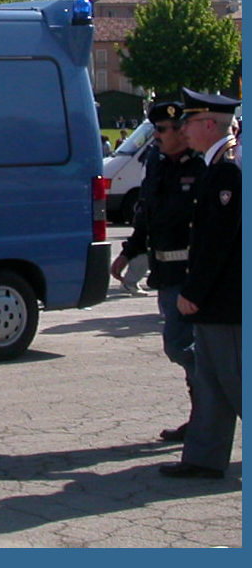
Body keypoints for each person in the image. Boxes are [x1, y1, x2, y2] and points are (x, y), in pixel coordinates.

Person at [110, 101, 205, 442]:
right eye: (153, 130)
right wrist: (128, 253)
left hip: (193, 272)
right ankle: (203, 416)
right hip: (166, 272)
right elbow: (147, 214)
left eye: (162, 130)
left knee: (182, 346)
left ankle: (209, 416)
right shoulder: (156, 163)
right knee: (183, 347)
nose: (157, 137)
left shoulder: (203, 166)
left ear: (182, 130)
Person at [159, 89, 241, 480]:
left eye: (188, 122)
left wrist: (193, 291)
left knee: (237, 381)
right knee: (210, 383)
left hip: (227, 301)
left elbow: (220, 243)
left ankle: (205, 456)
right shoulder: (215, 167)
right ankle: (205, 458)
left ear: (209, 124)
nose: (181, 130)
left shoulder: (229, 170)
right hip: (215, 301)